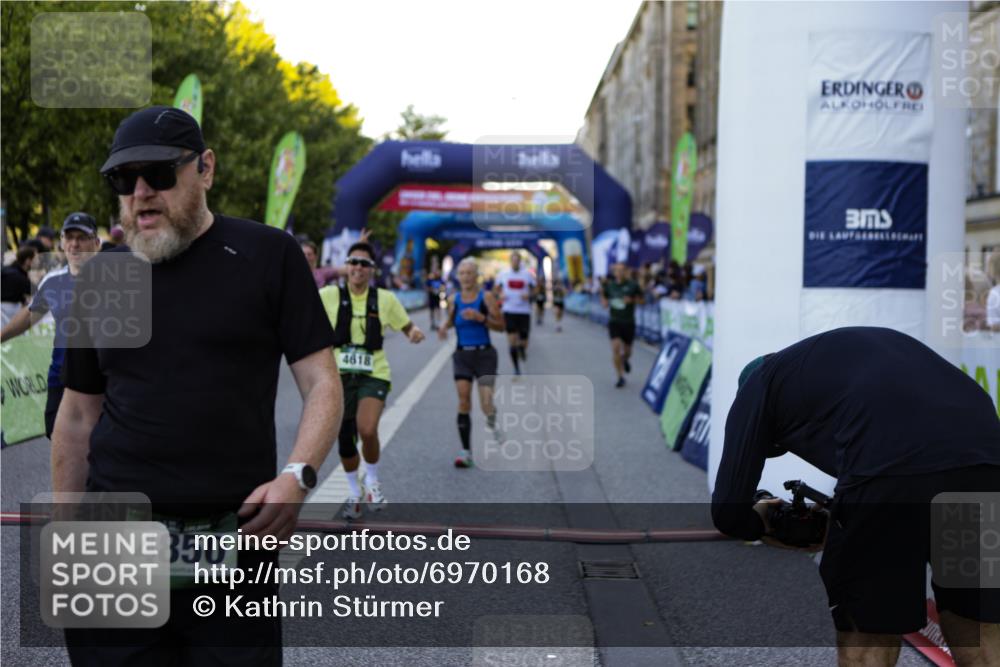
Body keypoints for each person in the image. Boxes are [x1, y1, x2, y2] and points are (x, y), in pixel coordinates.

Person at [54, 106, 343, 665]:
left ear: (205, 169)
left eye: (159, 174)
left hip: (231, 547)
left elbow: (322, 382)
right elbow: (77, 417)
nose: (140, 192)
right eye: (123, 179)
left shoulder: (268, 256)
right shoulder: (106, 277)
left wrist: (298, 476)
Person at [712, 327, 1000, 667]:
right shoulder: (835, 362)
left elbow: (728, 513)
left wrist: (766, 521)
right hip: (985, 459)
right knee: (976, 621)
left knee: (869, 628)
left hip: (890, 469)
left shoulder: (759, 383)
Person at [320, 241, 424, 519]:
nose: (358, 268)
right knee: (344, 438)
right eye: (354, 262)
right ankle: (354, 493)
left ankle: (373, 482)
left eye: (364, 264)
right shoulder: (329, 295)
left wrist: (414, 332)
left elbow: (407, 325)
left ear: (372, 270)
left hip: (373, 373)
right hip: (338, 376)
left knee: (366, 429)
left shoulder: (385, 299)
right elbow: (301, 315)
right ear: (347, 266)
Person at [1, 214, 101, 437]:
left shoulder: (114, 279)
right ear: (62, 243)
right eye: (69, 237)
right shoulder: (53, 281)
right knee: (57, 436)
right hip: (61, 376)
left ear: (96, 243)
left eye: (82, 238)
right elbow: (29, 317)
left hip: (101, 380)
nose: (75, 244)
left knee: (97, 444)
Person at [437, 258, 504, 468]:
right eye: (462, 273)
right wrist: (443, 327)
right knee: (464, 401)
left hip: (484, 355)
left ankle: (492, 421)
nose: (465, 277)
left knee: (485, 405)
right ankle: (466, 452)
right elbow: (451, 319)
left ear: (476, 277)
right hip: (462, 356)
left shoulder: (487, 297)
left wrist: (480, 318)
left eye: (469, 273)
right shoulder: (453, 299)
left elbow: (501, 326)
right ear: (458, 277)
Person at [494, 251, 535, 375]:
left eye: (517, 260)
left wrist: (529, 295)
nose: (515, 262)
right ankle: (516, 368)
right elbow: (496, 289)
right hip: (509, 310)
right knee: (511, 340)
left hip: (524, 311)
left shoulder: (527, 275)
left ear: (520, 261)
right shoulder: (503, 274)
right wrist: (500, 295)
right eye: (513, 260)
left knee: (524, 341)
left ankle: (522, 349)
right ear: (510, 261)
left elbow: (536, 289)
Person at [600, 261, 641, 388]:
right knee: (616, 348)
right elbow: (604, 296)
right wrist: (604, 301)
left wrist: (632, 300)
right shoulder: (610, 285)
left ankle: (625, 359)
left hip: (628, 322)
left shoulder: (633, 285)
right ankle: (620, 376)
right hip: (615, 322)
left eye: (621, 270)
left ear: (626, 271)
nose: (619, 272)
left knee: (628, 351)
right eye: (616, 270)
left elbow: (643, 300)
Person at [1, 245, 36, 322]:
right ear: (28, 261)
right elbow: (36, 291)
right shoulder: (19, 277)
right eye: (35, 259)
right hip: (7, 313)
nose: (38, 262)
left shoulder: (7, 270)